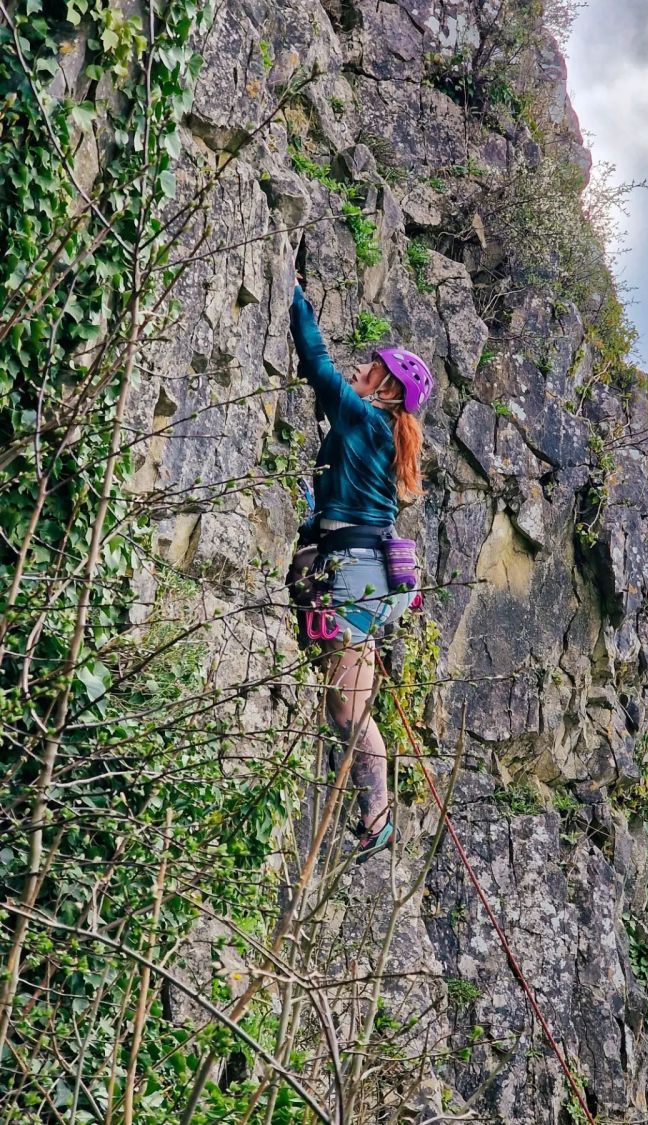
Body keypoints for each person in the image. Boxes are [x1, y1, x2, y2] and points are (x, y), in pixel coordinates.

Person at [288, 278, 433, 863]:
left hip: (352, 576)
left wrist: (295, 297)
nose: (359, 371)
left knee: (348, 711)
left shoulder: (362, 420)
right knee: (349, 703)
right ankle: (371, 802)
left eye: (371, 370)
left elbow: (316, 362)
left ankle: (377, 814)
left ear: (387, 391)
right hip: (376, 579)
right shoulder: (381, 434)